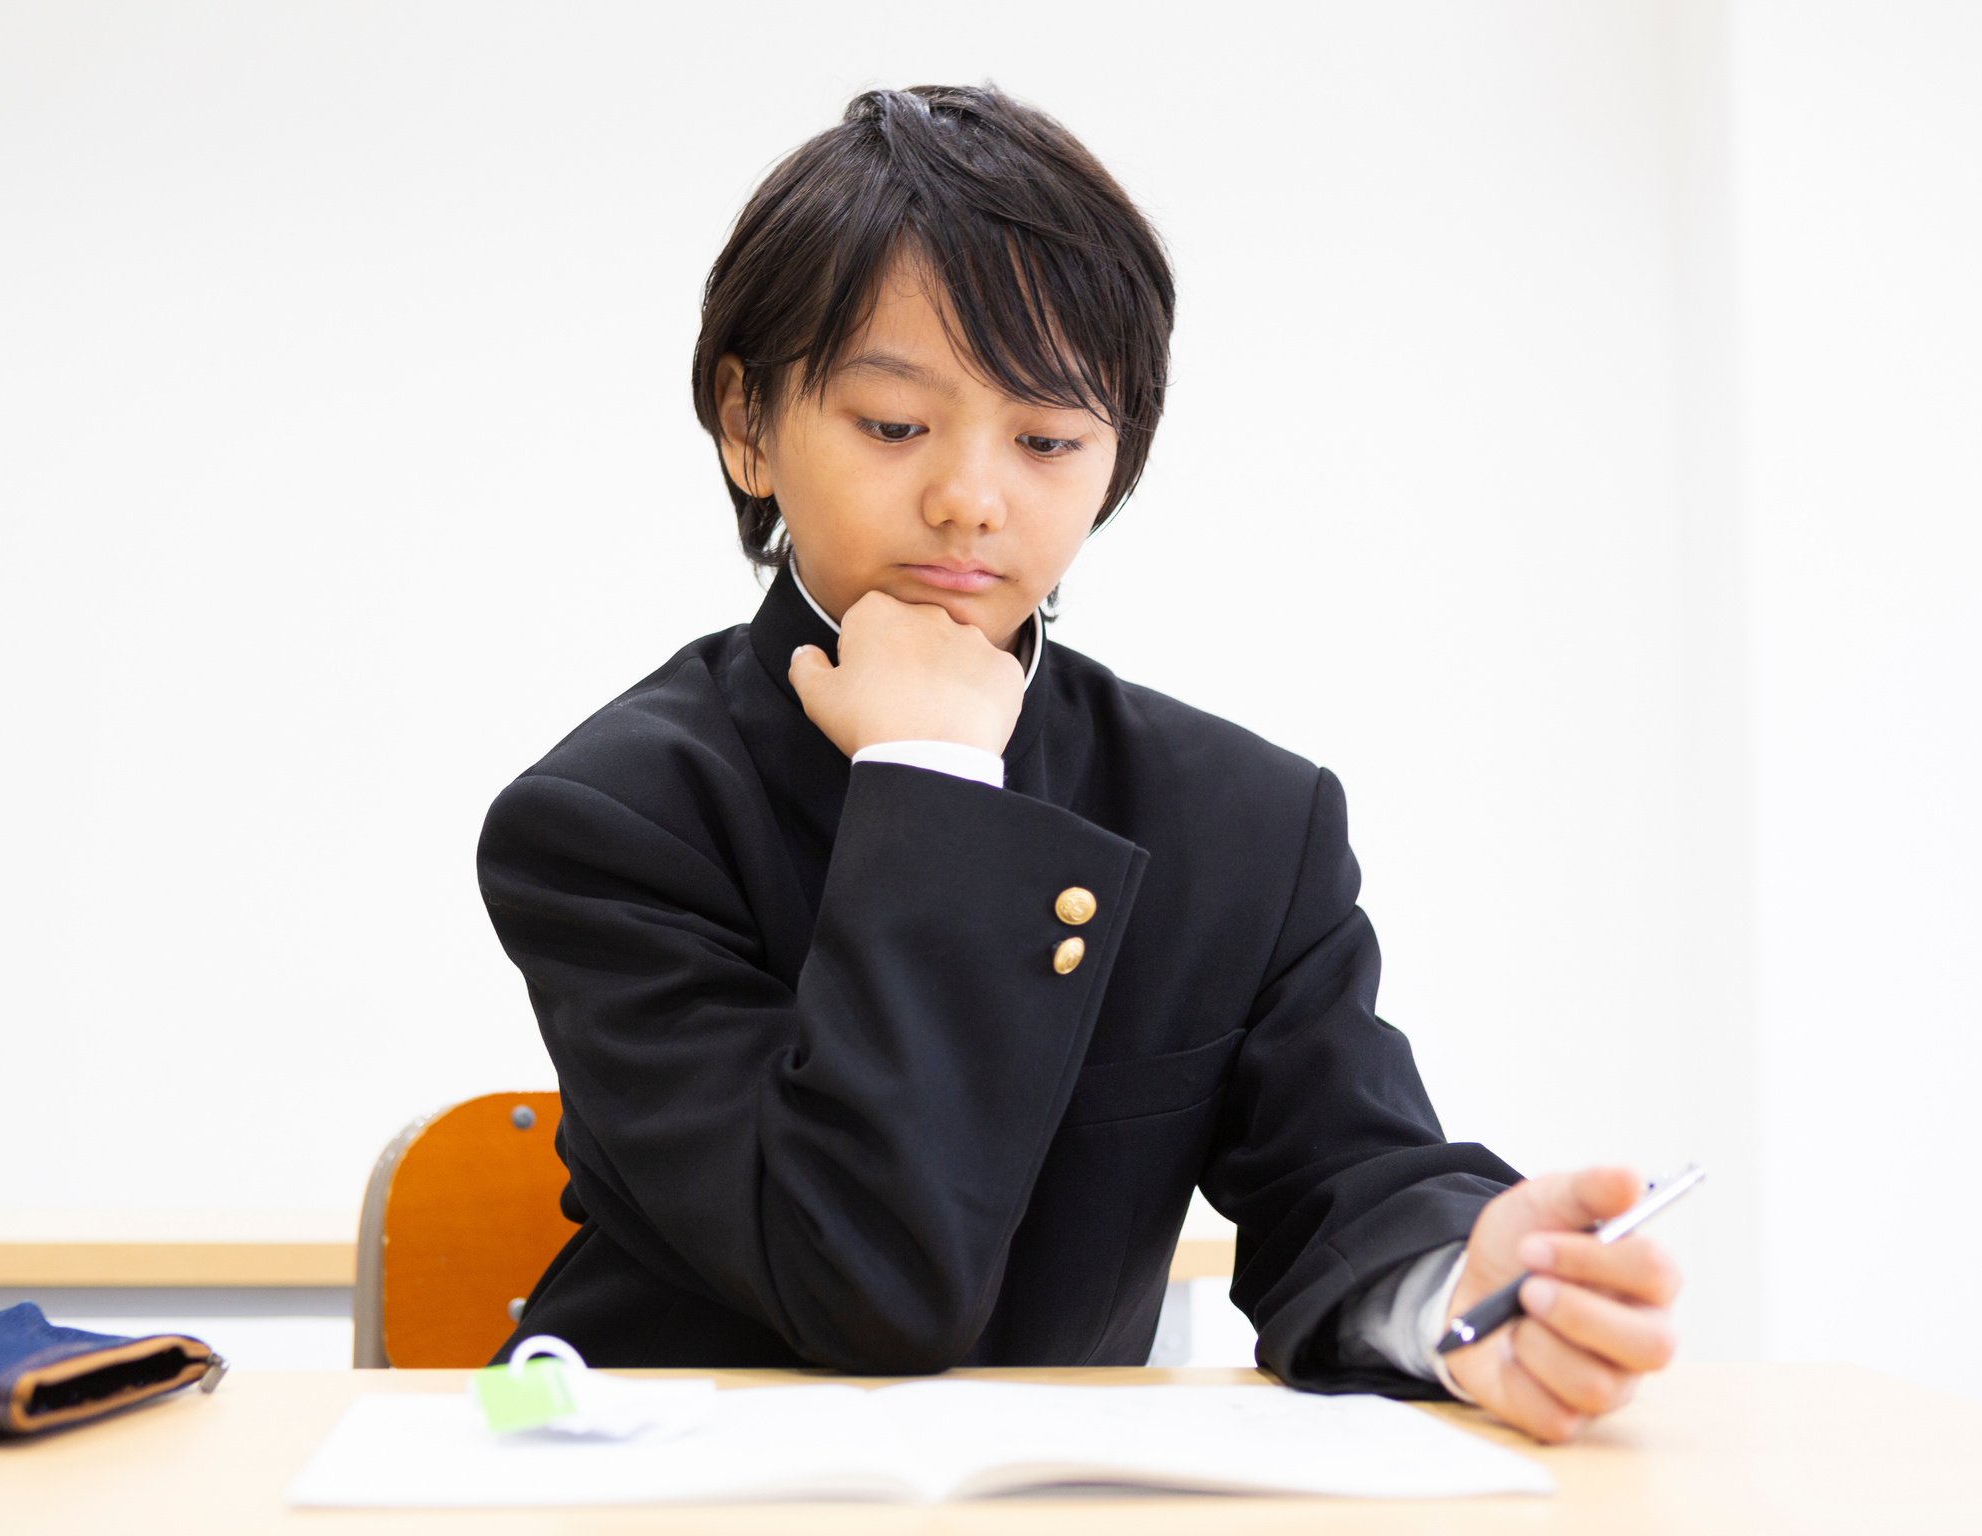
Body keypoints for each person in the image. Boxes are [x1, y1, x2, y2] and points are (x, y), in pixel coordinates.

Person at [476, 83, 1680, 1445]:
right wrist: (928, 775)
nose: (972, 498)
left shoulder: (1243, 820)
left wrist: (1456, 1291)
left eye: (1047, 440)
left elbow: (1345, 1179)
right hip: (655, 1495)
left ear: (1113, 463)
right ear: (748, 422)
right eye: (892, 425)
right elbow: (866, 1286)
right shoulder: (612, 819)